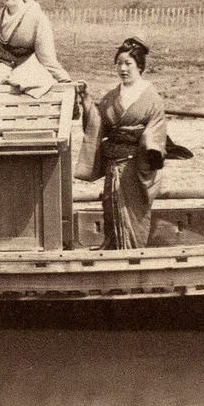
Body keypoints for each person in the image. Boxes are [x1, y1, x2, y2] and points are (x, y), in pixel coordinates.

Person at [82, 37, 171, 250]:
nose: (123, 68)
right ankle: (113, 248)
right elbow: (97, 124)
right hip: (114, 165)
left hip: (136, 165)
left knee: (134, 212)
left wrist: (149, 147)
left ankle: (134, 251)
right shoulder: (111, 97)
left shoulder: (151, 98)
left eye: (128, 63)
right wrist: (86, 101)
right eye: (119, 63)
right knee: (111, 208)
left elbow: (156, 131)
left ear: (140, 66)